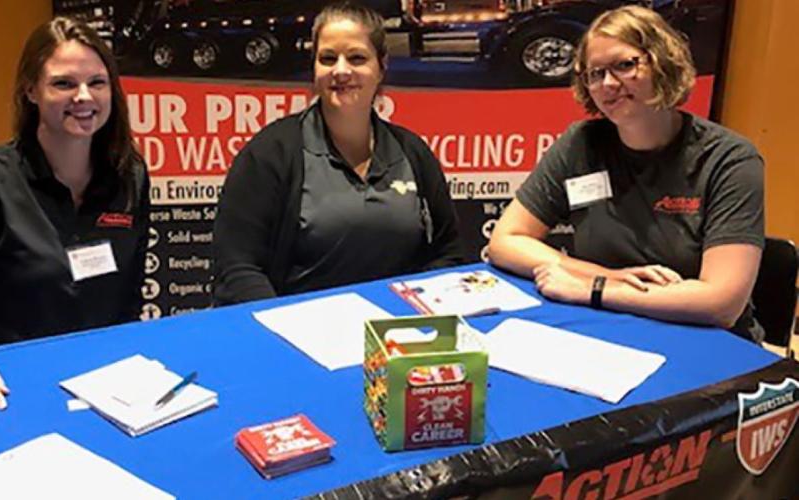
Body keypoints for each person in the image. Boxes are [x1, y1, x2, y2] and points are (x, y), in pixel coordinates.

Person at [488, 5, 764, 341]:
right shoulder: (581, 144)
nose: (607, 84)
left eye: (623, 65)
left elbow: (722, 304)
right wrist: (606, 276)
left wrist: (595, 289)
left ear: (663, 62)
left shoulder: (728, 159)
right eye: (594, 73)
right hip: (613, 329)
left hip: (708, 341)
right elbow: (506, 241)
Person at [0, 17, 150, 415]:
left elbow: (128, 295)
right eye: (63, 83)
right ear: (30, 91)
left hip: (109, 385)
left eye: (97, 82)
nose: (84, 97)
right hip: (7, 384)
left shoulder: (130, 174)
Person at [213, 2, 465, 305]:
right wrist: (280, 328)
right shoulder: (271, 153)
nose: (341, 70)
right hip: (298, 336)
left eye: (357, 58)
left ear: (381, 66)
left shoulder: (412, 152)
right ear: (314, 67)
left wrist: (412, 311)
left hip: (398, 336)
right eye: (328, 58)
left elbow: (449, 252)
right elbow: (237, 266)